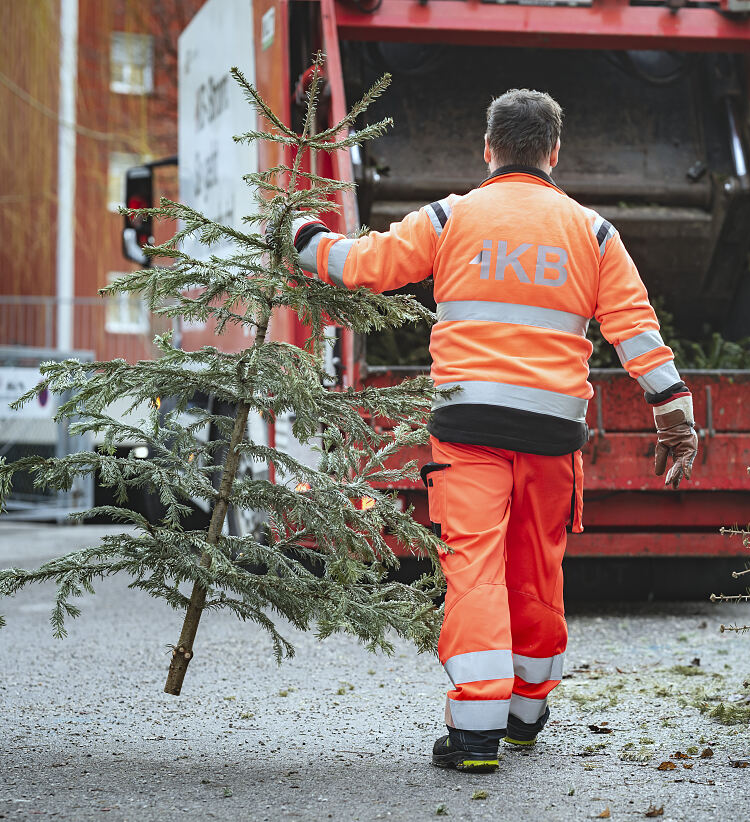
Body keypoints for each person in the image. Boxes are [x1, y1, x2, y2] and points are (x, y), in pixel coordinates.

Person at [292, 89, 698, 773]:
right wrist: (673, 412)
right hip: (551, 434)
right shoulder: (594, 233)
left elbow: (364, 266)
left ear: (488, 149)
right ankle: (525, 713)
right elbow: (635, 330)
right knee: (535, 568)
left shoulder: (452, 217)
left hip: (468, 426)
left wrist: (300, 236)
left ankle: (474, 732)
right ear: (554, 153)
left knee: (473, 569)